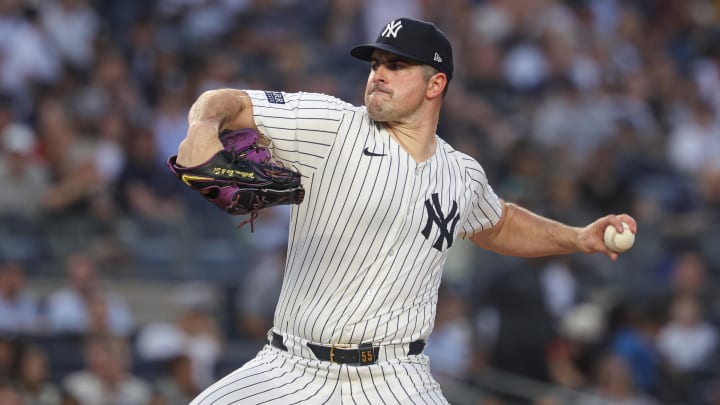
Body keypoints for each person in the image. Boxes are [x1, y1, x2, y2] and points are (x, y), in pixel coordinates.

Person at [174, 17, 637, 404]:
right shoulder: (332, 125)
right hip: (290, 367)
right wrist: (203, 126)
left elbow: (500, 222)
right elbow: (227, 101)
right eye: (376, 64)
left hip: (394, 378)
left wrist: (577, 237)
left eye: (396, 66)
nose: (378, 74)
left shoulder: (462, 174)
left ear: (436, 83)